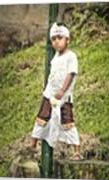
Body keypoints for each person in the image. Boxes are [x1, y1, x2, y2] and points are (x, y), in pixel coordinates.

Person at [29, 22, 83, 160]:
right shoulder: (55, 57)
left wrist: (62, 91)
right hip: (49, 94)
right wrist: (51, 92)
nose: (56, 42)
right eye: (53, 39)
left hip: (64, 97)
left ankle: (76, 151)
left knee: (67, 121)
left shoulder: (71, 56)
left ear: (67, 40)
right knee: (42, 117)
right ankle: (32, 146)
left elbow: (70, 74)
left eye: (60, 38)